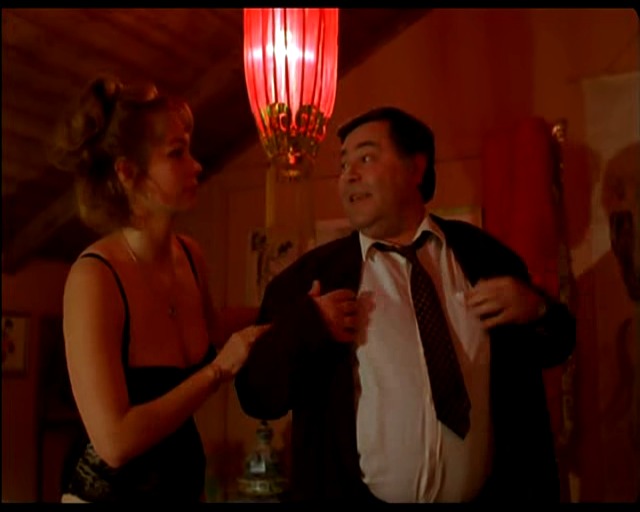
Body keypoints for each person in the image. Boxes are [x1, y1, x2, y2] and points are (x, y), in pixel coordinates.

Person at [235, 106, 576, 503]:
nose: (349, 175)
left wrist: (536, 308)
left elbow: (558, 344)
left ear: (416, 168)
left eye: (365, 158)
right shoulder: (310, 279)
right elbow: (256, 395)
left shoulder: (485, 258)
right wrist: (307, 328)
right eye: (343, 165)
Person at [50, 75, 269, 503]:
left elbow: (215, 329)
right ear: (128, 173)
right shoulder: (95, 277)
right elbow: (114, 442)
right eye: (176, 153)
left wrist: (290, 305)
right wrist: (217, 372)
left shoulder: (190, 254)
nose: (196, 165)